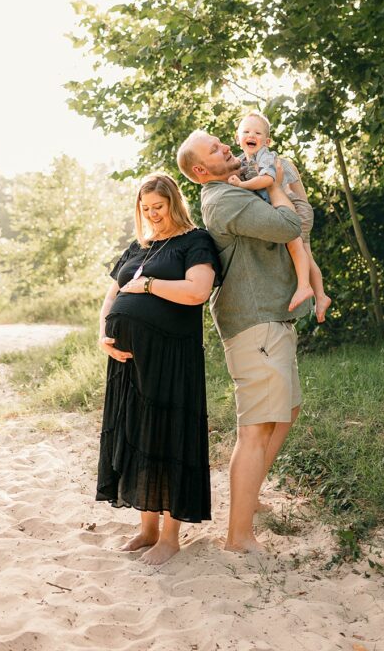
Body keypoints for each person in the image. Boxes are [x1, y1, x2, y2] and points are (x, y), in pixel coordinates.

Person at [177, 130, 326, 553]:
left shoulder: (238, 189)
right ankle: (238, 537)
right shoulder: (226, 200)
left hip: (271, 316)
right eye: (215, 149)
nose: (227, 146)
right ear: (202, 170)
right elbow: (291, 225)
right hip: (253, 320)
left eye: (223, 141)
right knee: (256, 427)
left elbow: (298, 225)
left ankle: (250, 497)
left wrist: (277, 189)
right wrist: (279, 185)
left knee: (287, 411)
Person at [96, 172, 221, 565]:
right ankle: (146, 529)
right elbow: (113, 292)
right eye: (145, 209)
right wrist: (104, 334)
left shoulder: (194, 242)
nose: (152, 215)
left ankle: (169, 537)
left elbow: (197, 291)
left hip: (171, 358)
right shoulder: (139, 245)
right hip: (129, 362)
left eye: (159, 208)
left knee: (168, 440)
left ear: (174, 203)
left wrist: (149, 285)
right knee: (138, 437)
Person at [229, 111, 331, 320]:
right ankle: (321, 297)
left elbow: (267, 181)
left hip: (295, 207)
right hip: (289, 208)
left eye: (257, 133)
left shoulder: (266, 158)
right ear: (237, 139)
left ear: (266, 141)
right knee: (306, 254)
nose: (251, 135)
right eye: (246, 131)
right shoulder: (241, 162)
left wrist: (241, 185)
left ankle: (306, 288)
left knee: (297, 248)